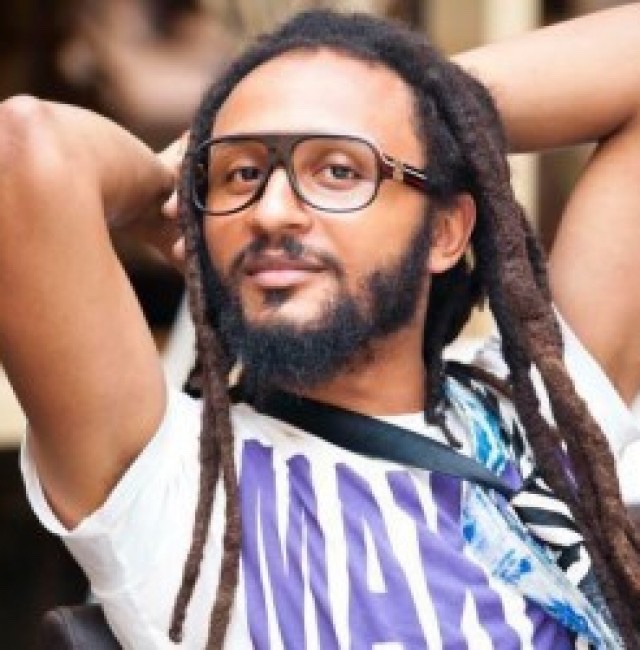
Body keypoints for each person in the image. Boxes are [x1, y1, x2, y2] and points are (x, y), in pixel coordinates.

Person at [1, 4, 639, 649]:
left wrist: (419, 102)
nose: (271, 211)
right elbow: (24, 146)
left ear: (445, 232)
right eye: (242, 175)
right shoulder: (176, 488)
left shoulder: (538, 419)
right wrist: (169, 185)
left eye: (338, 170)